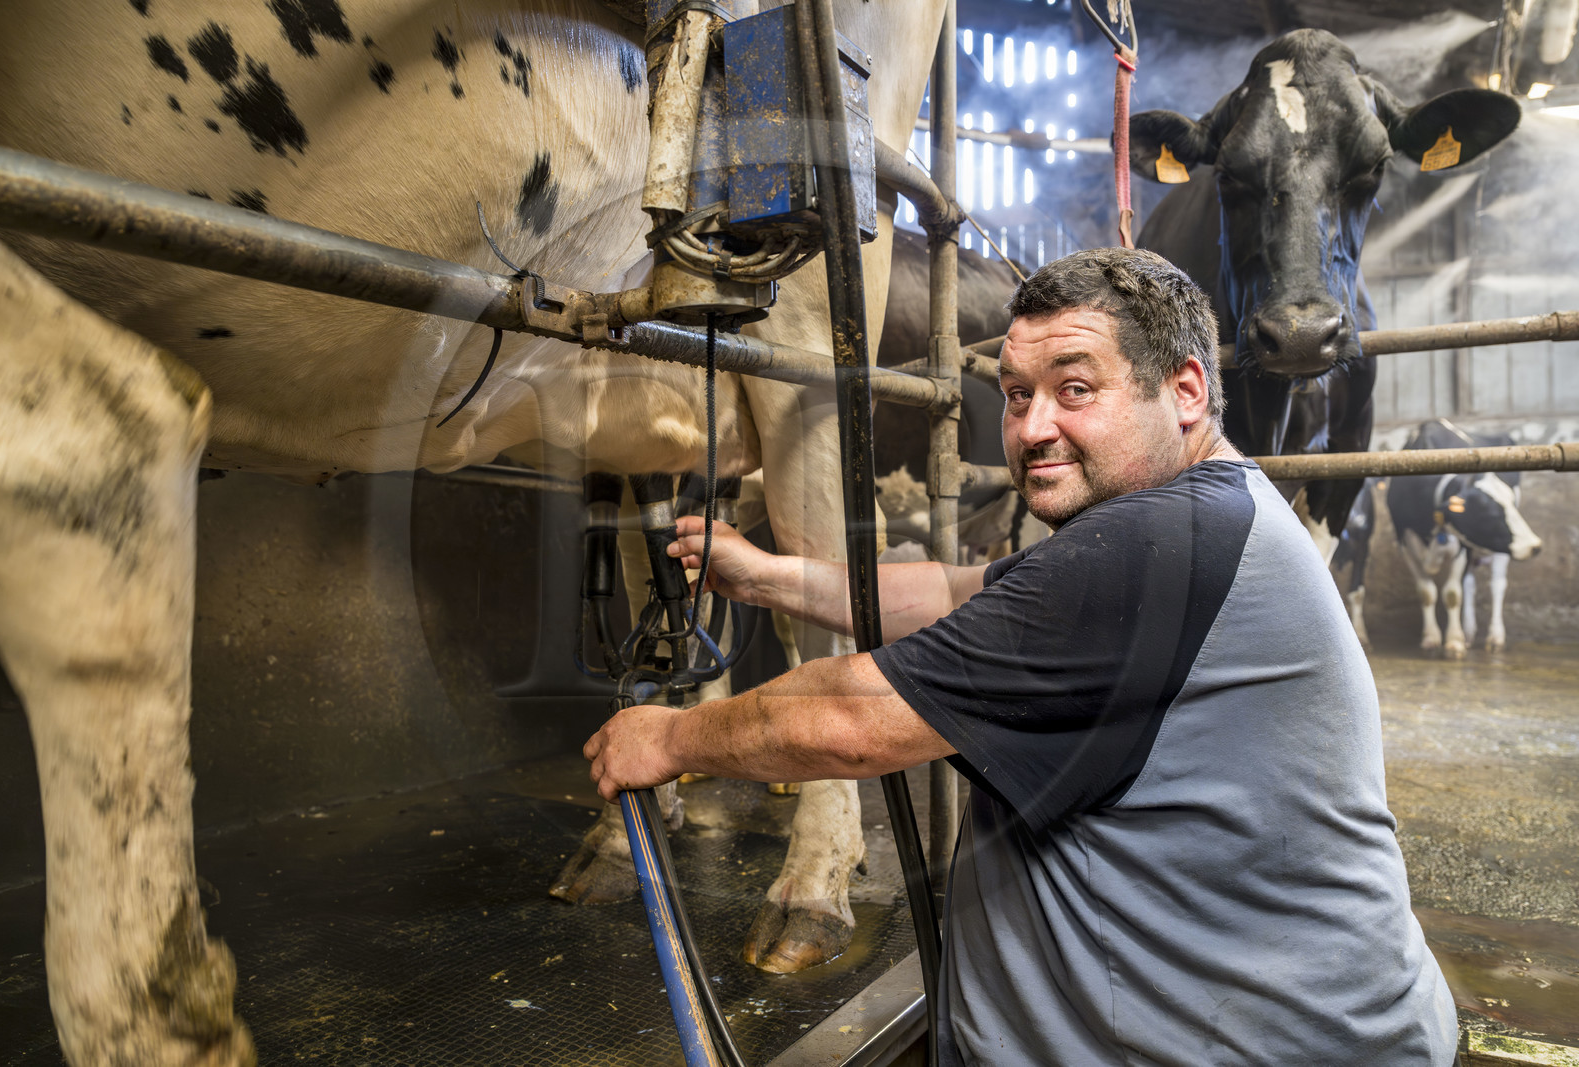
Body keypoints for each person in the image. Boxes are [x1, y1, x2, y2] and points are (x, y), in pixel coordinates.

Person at [585, 247, 1455, 1066]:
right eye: (1014, 394)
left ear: (1186, 390)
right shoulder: (1214, 509)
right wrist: (769, 576)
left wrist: (670, 737)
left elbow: (853, 720)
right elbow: (955, 590)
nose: (1034, 427)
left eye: (1075, 389)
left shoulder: (1151, 544)